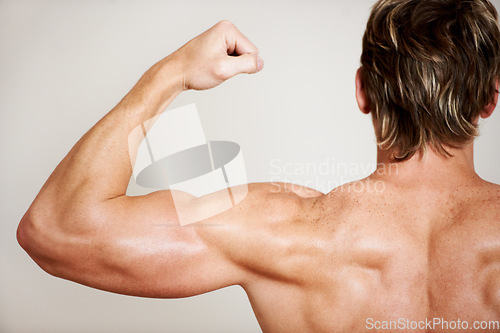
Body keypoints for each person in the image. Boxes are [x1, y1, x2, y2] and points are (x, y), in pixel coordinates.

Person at [17, 0, 500, 331]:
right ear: (490, 100)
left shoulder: (281, 226)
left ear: (363, 92)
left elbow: (55, 228)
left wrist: (171, 74)